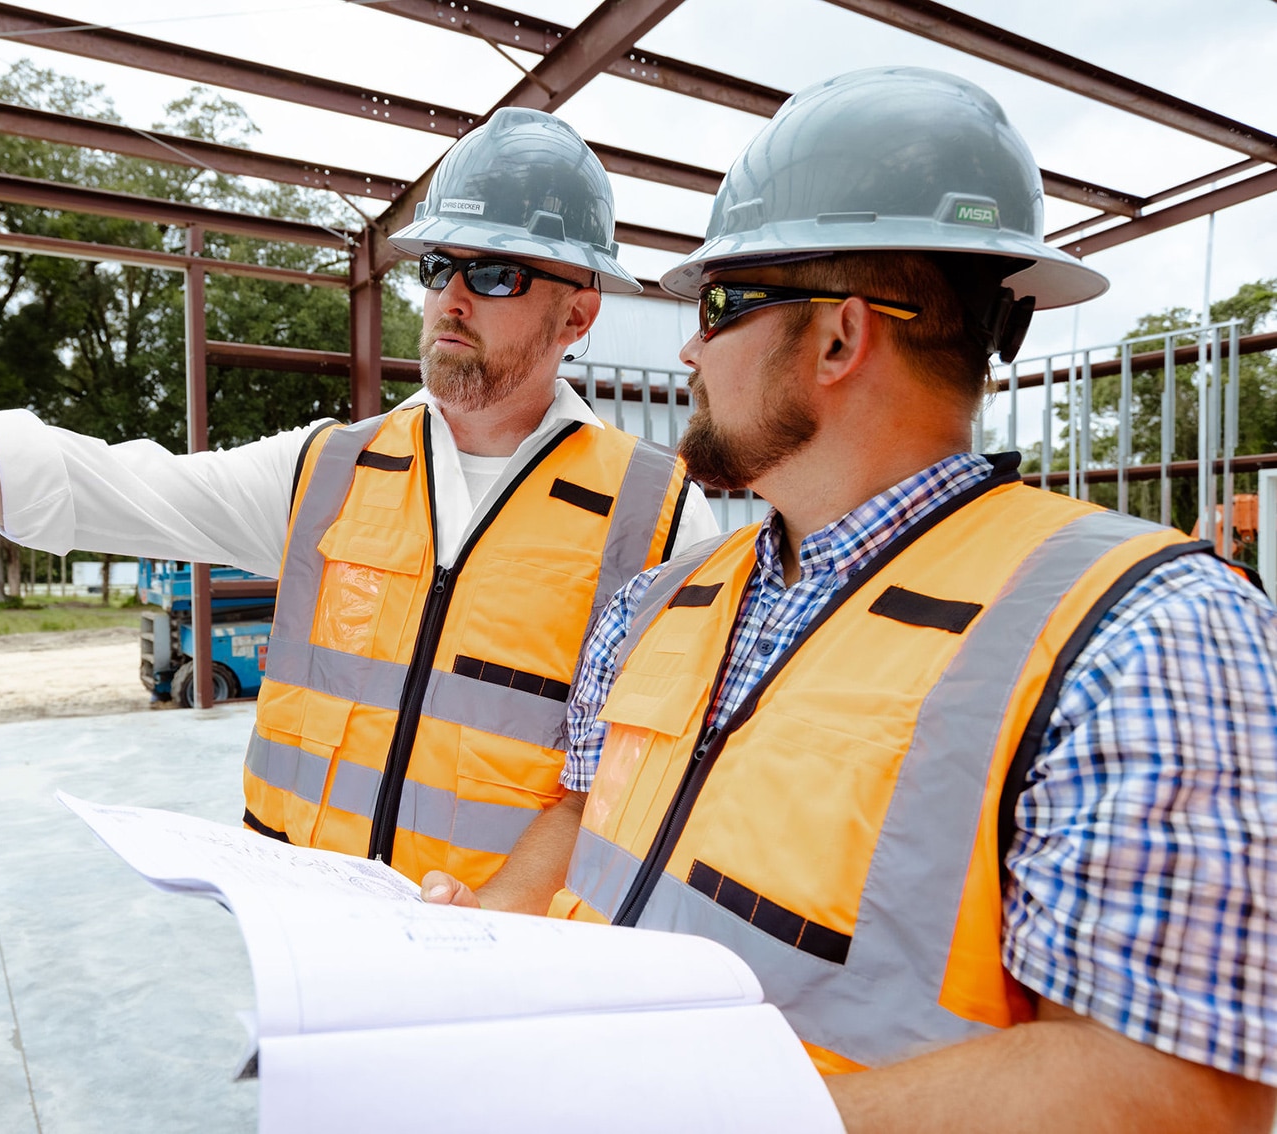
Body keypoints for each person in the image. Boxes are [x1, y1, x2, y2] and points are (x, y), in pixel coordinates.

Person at [422, 68, 1277, 1130]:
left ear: (837, 337)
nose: (687, 346)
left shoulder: (1144, 635)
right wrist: (479, 942)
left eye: (720, 304)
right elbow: (583, 818)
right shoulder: (662, 602)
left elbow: (1176, 1092)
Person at [0, 106, 714, 887]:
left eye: (496, 272)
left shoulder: (659, 522)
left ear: (578, 315)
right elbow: (77, 487)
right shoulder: (328, 474)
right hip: (301, 967)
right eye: (435, 267)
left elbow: (636, 790)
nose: (451, 300)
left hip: (500, 998)